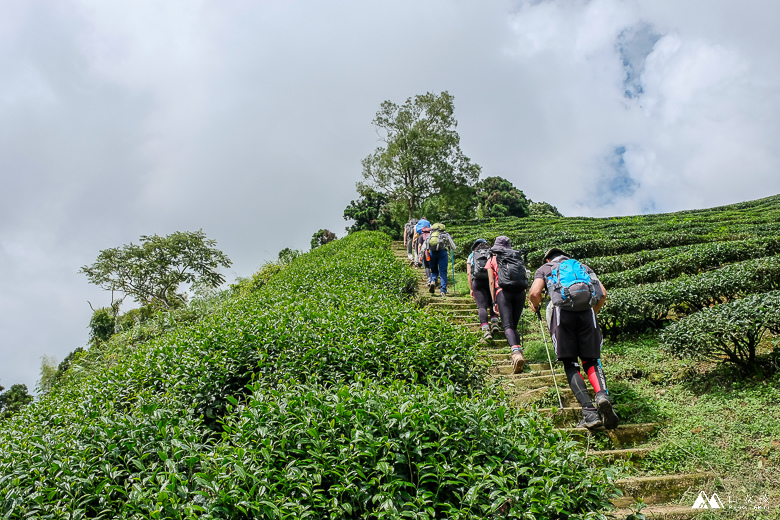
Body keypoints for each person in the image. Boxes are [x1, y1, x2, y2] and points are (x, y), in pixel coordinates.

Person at [528, 247, 618, 430]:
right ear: (567, 258)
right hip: (587, 315)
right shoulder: (583, 267)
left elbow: (534, 293)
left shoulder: (546, 269)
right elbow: (603, 293)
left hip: (562, 316)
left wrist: (535, 306)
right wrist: (591, 313)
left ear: (548, 259)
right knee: (591, 360)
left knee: (570, 363)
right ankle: (602, 396)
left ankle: (589, 413)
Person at [487, 236, 528, 373]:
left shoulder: (492, 259)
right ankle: (519, 353)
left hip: (503, 292)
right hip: (520, 292)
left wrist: (494, 301)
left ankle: (516, 354)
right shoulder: (516, 257)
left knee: (507, 326)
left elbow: (492, 282)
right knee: (514, 326)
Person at [467, 239, 500, 341]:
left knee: (481, 306)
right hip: (491, 280)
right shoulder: (493, 254)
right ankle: (495, 323)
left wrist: (471, 288)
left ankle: (486, 330)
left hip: (477, 281)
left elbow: (469, 273)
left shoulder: (472, 255)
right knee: (492, 302)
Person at [425, 223, 456, 297]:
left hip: (432, 253)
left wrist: (421, 254)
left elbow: (425, 245)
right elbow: (453, 247)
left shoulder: (430, 234)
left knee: (434, 270)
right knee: (443, 272)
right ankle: (443, 291)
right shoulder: (446, 235)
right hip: (442, 253)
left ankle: (433, 281)